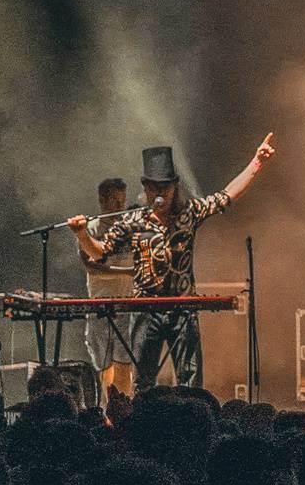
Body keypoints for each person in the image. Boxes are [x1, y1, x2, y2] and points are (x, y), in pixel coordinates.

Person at [68, 136, 276, 391]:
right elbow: (99, 253)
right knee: (143, 382)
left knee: (190, 379)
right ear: (146, 188)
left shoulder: (189, 212)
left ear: (174, 187)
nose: (160, 194)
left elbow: (226, 196)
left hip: (182, 309)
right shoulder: (134, 220)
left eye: (165, 187)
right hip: (146, 310)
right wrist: (81, 234)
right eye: (154, 188)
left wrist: (256, 163)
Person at [80, 176, 137, 398]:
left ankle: (124, 409)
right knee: (105, 367)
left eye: (123, 201)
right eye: (116, 201)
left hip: (127, 305)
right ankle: (110, 410)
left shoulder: (130, 229)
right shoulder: (91, 229)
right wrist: (127, 271)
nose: (121, 206)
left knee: (124, 364)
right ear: (103, 201)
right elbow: (91, 267)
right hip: (100, 306)